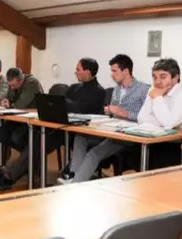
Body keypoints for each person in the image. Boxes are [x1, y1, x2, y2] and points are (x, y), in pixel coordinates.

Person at [0, 58, 106, 192]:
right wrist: (66, 105)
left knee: (40, 143)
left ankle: (9, 175)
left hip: (80, 132)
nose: (75, 72)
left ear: (88, 72)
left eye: (78, 69)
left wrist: (67, 104)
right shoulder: (74, 88)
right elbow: (65, 105)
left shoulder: (99, 91)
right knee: (38, 140)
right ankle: (10, 171)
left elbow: (80, 108)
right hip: (62, 127)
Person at [58, 54, 149, 184]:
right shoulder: (117, 89)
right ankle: (72, 175)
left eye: (114, 71)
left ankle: (74, 184)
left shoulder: (143, 90)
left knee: (94, 153)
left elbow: (146, 117)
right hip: (111, 129)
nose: (112, 75)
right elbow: (113, 112)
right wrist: (109, 113)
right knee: (80, 137)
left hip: (127, 135)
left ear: (126, 71)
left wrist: (125, 113)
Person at [137, 58, 182, 168]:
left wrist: (157, 98)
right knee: (133, 151)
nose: (157, 82)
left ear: (176, 78)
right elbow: (141, 118)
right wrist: (163, 122)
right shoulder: (153, 90)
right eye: (154, 77)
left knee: (155, 158)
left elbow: (169, 123)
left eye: (163, 77)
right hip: (166, 140)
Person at [0, 68, 44, 155]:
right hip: (18, 118)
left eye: (13, 85)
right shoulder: (13, 83)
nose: (11, 87)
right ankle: (26, 156)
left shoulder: (31, 83)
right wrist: (6, 101)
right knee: (0, 133)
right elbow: (10, 98)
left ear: (20, 81)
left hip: (32, 120)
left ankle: (30, 157)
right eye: (10, 85)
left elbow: (20, 104)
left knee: (16, 137)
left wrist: (10, 105)